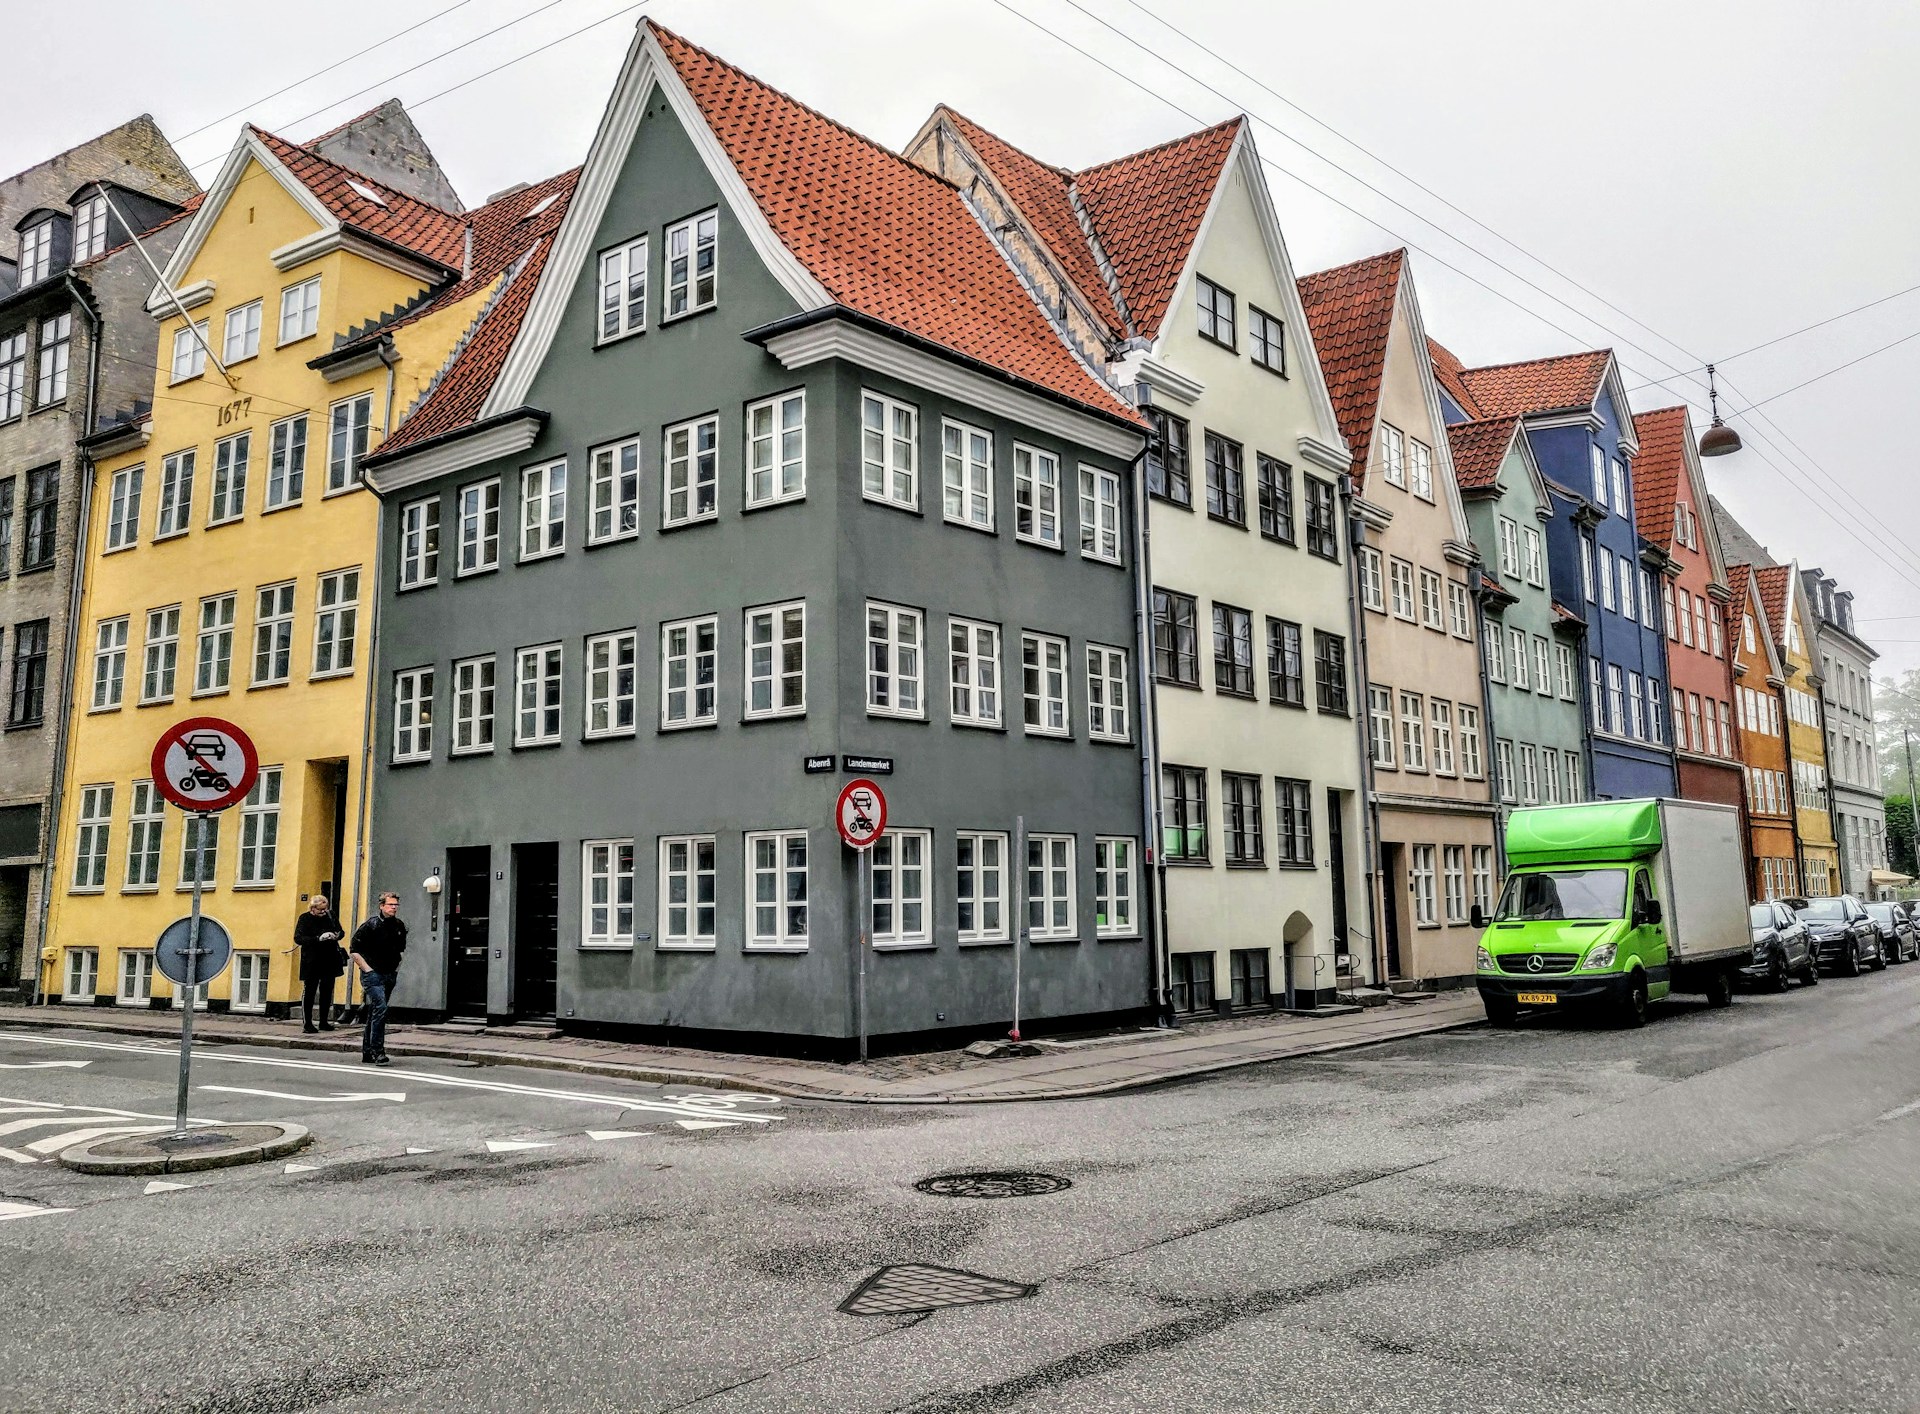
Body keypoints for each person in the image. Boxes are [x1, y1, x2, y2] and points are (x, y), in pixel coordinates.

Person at [350, 891, 408, 1066]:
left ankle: (367, 1051)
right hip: (373, 974)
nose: (394, 908)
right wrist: (367, 970)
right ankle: (378, 1051)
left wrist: (397, 968)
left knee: (376, 1011)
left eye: (396, 905)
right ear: (381, 906)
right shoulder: (371, 925)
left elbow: (401, 950)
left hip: (389, 972)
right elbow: (354, 950)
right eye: (390, 905)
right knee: (380, 1008)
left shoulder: (399, 925)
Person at [293, 895, 345, 1033]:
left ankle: (323, 1021)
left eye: (325, 909)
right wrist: (318, 938)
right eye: (321, 910)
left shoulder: (330, 915)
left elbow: (341, 931)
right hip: (311, 960)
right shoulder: (305, 918)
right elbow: (298, 938)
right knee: (310, 990)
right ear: (313, 908)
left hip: (329, 958)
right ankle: (308, 1023)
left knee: (327, 991)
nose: (323, 912)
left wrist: (336, 935)